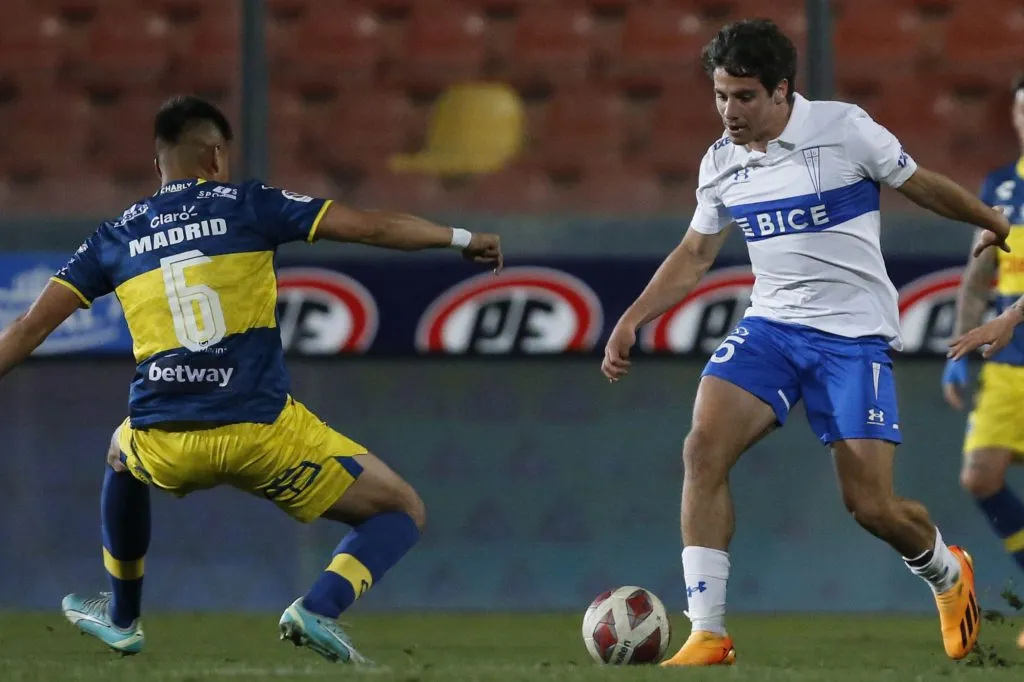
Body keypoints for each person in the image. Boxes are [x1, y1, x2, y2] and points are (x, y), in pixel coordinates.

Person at [0, 96, 503, 663]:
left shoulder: (113, 237)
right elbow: (370, 227)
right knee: (402, 509)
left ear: (158, 162)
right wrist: (461, 239)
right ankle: (319, 607)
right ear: (216, 156)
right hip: (263, 434)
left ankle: (122, 618)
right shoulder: (250, 204)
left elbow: (26, 328)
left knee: (122, 452)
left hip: (166, 442)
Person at [602, 19, 1008, 666]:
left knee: (870, 507)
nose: (729, 111)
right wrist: (633, 316)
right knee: (702, 450)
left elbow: (918, 182)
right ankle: (708, 632)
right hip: (771, 329)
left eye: (744, 97)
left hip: (852, 339)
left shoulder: (844, 128)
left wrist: (992, 220)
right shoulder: (721, 162)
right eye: (720, 96)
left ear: (781, 91)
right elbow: (696, 253)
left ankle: (945, 570)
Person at [946, 84, 1024, 647]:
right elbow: (977, 277)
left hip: (1011, 330)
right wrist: (958, 351)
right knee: (981, 475)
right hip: (1008, 360)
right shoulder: (999, 187)